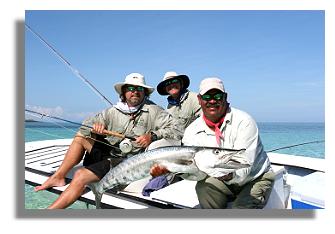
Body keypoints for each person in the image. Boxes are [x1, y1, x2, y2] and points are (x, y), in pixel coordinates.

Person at [34, 72, 182, 209]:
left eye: (139, 89)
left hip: (125, 161)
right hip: (108, 152)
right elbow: (87, 124)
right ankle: (58, 176)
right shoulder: (113, 111)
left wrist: (153, 136)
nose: (135, 91)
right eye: (131, 88)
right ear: (124, 92)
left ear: (144, 92)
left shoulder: (154, 110)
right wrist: (95, 126)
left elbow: (177, 129)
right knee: (81, 135)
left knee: (80, 175)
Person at [182, 77, 275, 209]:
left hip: (255, 178)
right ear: (199, 99)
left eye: (218, 96)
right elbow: (197, 173)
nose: (212, 101)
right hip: (221, 178)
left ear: (225, 97)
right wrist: (177, 171)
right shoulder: (192, 130)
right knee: (203, 187)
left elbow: (245, 166)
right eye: (207, 96)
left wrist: (228, 175)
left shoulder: (244, 121)